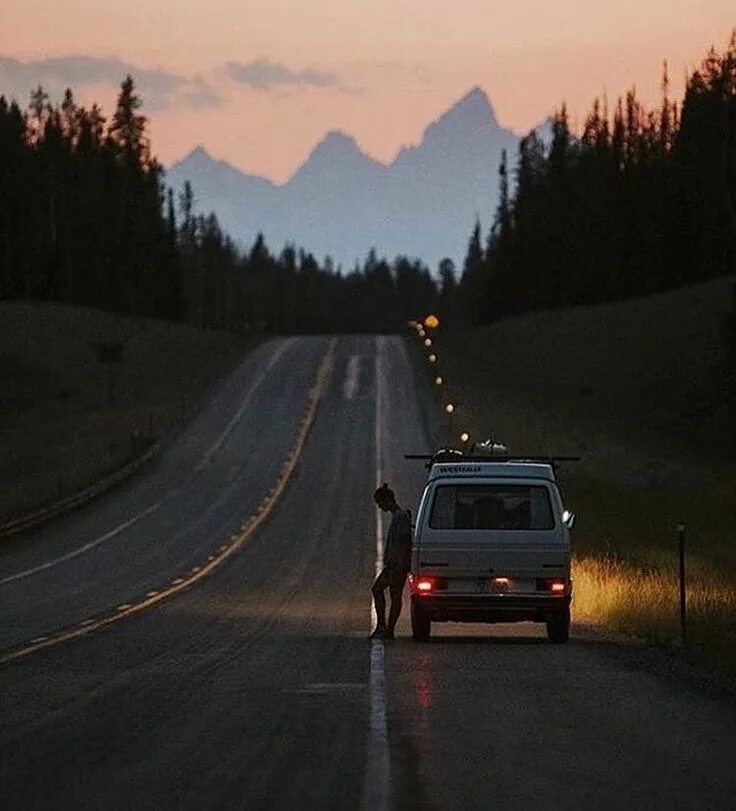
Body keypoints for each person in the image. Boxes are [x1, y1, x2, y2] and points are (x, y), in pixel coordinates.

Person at [370, 483, 412, 640]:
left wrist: (399, 565)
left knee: (387, 593)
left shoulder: (401, 517)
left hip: (397, 565)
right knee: (387, 593)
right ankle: (386, 628)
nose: (380, 507)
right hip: (394, 564)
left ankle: (386, 627)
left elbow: (404, 542)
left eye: (381, 503)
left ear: (388, 500)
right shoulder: (398, 516)